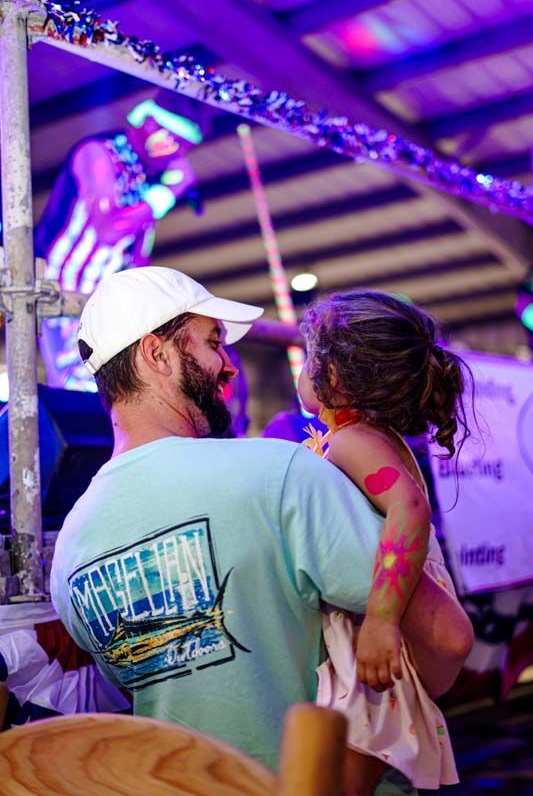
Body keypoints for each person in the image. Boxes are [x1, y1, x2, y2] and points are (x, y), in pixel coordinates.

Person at [50, 267, 471, 791]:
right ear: (156, 355)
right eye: (213, 343)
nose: (230, 365)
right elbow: (447, 640)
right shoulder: (280, 474)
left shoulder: (69, 550)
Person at [298, 290, 474, 794]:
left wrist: (381, 619)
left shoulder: (354, 440)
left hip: (379, 647)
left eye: (307, 357)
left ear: (332, 376)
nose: (301, 369)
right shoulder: (370, 437)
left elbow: (409, 508)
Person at [35, 94, 203, 390]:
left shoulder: (146, 176)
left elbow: (137, 249)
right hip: (63, 289)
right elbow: (109, 229)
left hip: (104, 299)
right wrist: (168, 193)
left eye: (184, 147)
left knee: (111, 387)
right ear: (149, 123)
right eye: (173, 140)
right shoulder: (99, 152)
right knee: (78, 386)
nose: (176, 153)